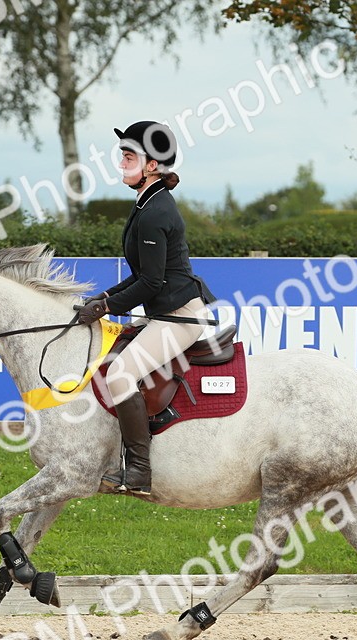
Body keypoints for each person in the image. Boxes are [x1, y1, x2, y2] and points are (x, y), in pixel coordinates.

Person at [75, 120, 217, 496]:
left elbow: (151, 284)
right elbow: (142, 275)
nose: (121, 163)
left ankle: (139, 470)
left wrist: (105, 306)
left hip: (180, 317)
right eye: (122, 155)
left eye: (128, 157)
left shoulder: (155, 212)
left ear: (151, 165)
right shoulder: (147, 202)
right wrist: (102, 297)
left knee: (120, 375)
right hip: (164, 312)